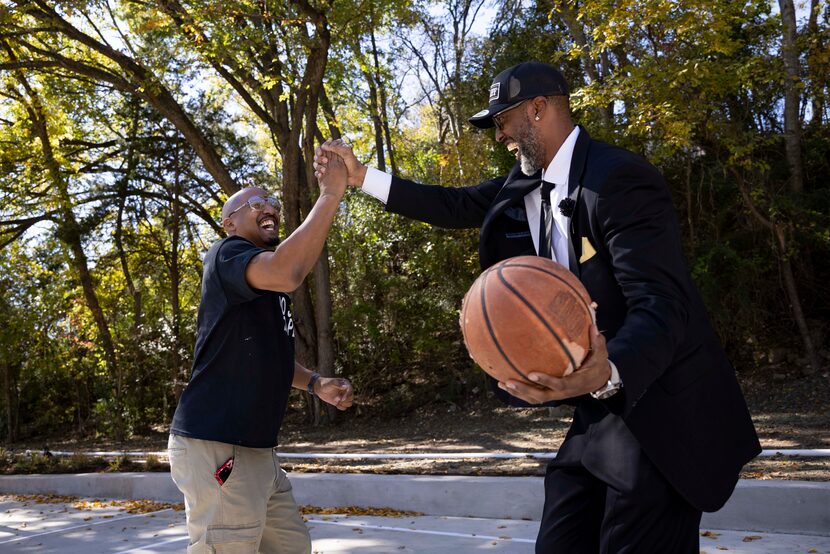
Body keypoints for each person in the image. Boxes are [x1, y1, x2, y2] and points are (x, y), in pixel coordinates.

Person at [314, 61, 760, 553]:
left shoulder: (618, 180)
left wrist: (606, 371)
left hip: (663, 404)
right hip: (603, 406)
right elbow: (456, 205)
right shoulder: (526, 182)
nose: (499, 134)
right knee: (559, 540)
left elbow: (662, 305)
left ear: (539, 109)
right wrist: (361, 178)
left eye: (503, 120)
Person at [168, 152, 354, 553]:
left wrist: (317, 384)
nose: (268, 207)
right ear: (229, 221)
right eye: (254, 203)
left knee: (292, 548)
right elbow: (289, 271)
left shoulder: (264, 289)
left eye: (270, 201)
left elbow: (271, 359)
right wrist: (331, 193)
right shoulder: (227, 253)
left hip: (258, 451)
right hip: (218, 443)